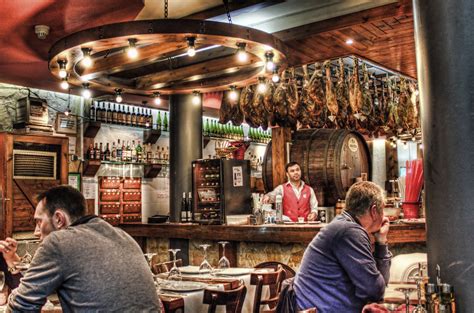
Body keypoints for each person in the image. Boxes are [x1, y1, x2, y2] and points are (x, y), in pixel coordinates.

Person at [8, 185, 161, 312]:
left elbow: (21, 306)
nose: (36, 232)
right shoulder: (123, 236)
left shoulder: (59, 241)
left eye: (39, 222)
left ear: (59, 219)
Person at [294, 181, 392, 313]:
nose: (384, 216)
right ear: (374, 211)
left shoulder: (344, 226)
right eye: (383, 209)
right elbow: (374, 291)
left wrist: (381, 240)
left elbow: (378, 287)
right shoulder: (349, 231)